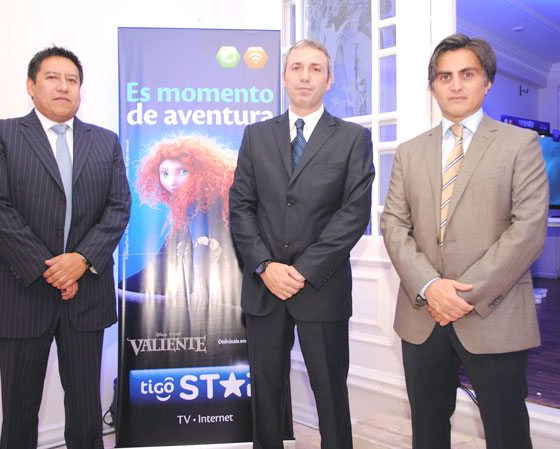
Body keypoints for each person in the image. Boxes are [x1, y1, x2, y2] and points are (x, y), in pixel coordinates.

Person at [381, 34, 548, 449]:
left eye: (467, 75)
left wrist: (461, 295)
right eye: (445, 76)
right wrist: (431, 287)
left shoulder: (520, 144)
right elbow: (394, 224)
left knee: (507, 432)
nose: (455, 85)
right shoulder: (409, 152)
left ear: (486, 82)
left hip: (494, 314)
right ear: (433, 87)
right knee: (428, 430)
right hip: (422, 316)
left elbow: (528, 229)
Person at [0, 46, 131, 449]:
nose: (64, 86)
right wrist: (53, 269)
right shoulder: (1, 134)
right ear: (31, 86)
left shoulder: (106, 141)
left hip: (86, 293)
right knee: (19, 412)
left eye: (72, 80)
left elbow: (118, 208)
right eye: (53, 78)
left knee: (85, 410)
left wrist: (81, 260)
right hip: (20, 293)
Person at [229, 39, 374, 449]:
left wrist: (302, 270)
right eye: (296, 67)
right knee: (265, 392)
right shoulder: (256, 136)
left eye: (315, 68)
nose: (305, 76)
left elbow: (353, 214)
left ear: (329, 79)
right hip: (264, 288)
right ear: (284, 76)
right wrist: (265, 266)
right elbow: (240, 206)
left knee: (330, 393)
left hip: (321, 288)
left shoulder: (352, 138)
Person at [121, 135, 239, 306]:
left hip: (200, 291)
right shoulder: (197, 203)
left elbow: (202, 244)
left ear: (200, 173)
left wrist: (200, 289)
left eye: (183, 172)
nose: (172, 182)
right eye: (165, 173)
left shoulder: (199, 203)